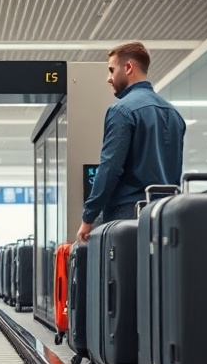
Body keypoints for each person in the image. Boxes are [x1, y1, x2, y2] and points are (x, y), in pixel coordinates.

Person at [76, 41, 186, 243]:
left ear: (128, 68)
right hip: (165, 215)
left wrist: (88, 216)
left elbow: (110, 167)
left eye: (111, 70)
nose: (108, 78)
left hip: (128, 214)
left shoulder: (121, 111)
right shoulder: (174, 114)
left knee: (123, 274)